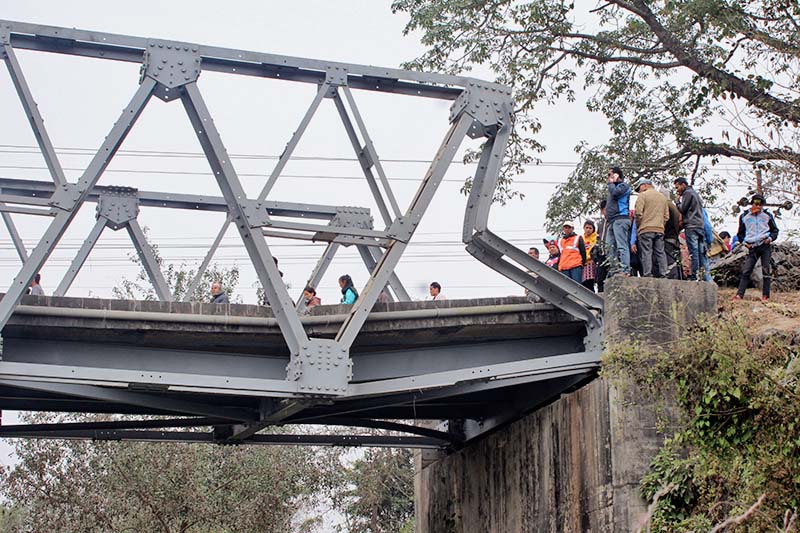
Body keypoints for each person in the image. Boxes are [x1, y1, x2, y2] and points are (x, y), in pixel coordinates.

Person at [732, 194, 779, 302]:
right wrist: (744, 242)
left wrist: (770, 238)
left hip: (764, 245)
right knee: (746, 270)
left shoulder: (767, 215)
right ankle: (739, 295)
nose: (758, 206)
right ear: (752, 203)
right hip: (751, 246)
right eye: (756, 203)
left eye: (760, 204)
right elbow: (740, 234)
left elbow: (775, 231)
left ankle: (765, 296)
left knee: (766, 270)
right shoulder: (744, 216)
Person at [673, 177, 711, 281]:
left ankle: (695, 276)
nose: (677, 190)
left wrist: (677, 201)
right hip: (700, 226)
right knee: (701, 253)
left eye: (677, 187)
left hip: (691, 226)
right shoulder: (695, 194)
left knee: (693, 253)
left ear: (683, 185)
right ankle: (706, 277)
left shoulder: (687, 194)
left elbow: (683, 209)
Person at [633, 178, 669, 277]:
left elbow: (638, 213)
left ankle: (647, 273)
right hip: (659, 229)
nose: (639, 191)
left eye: (639, 188)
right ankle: (664, 273)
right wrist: (661, 224)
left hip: (646, 228)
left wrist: (639, 225)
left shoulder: (643, 196)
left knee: (646, 252)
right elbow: (666, 216)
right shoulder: (662, 197)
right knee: (660, 252)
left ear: (644, 185)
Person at [604, 166, 632, 276]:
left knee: (622, 245)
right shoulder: (613, 187)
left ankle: (625, 270)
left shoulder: (623, 186)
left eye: (610, 174)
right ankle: (614, 269)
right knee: (609, 246)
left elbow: (616, 193)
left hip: (621, 218)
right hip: (612, 221)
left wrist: (611, 183)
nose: (608, 177)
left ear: (616, 175)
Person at [595, 200, 609, 292]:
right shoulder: (600, 224)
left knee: (610, 277)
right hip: (601, 254)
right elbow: (598, 238)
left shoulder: (613, 222)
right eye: (604, 209)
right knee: (600, 278)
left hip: (610, 254)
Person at [582, 220, 598, 291]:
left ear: (593, 229)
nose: (588, 230)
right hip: (583, 263)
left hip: (592, 262)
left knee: (590, 282)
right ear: (584, 228)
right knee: (584, 283)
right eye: (586, 227)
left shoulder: (596, 237)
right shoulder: (581, 238)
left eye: (590, 228)